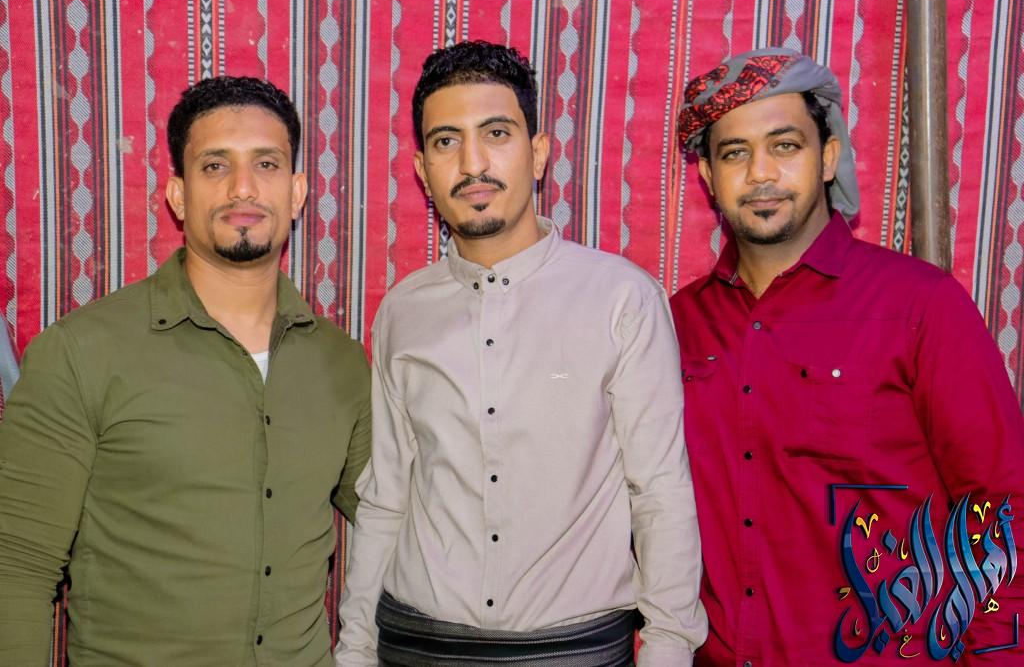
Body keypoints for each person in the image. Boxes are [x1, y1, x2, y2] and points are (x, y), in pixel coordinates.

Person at [335, 40, 706, 666]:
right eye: (447, 141)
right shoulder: (403, 310)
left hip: (574, 648)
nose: (472, 163)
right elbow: (386, 494)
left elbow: (660, 490)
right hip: (414, 641)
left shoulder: (621, 299)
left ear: (537, 154)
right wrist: (355, 648)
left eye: (496, 133)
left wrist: (668, 649)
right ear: (423, 170)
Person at [0, 76, 371, 665]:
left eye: (267, 164)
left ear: (298, 192)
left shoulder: (342, 364)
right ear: (178, 195)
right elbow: (16, 567)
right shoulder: (81, 353)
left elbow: (395, 514)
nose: (243, 186)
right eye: (215, 166)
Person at [671, 47, 1024, 665]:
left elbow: (1001, 512)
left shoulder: (919, 305)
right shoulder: (677, 324)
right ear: (707, 175)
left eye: (785, 146)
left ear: (828, 156)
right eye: (734, 153)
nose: (760, 173)